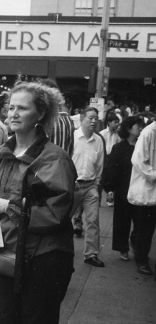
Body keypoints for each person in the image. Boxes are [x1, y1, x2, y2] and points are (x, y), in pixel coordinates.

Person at [0, 81, 76, 324]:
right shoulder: (3, 152)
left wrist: (8, 207)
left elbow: (55, 214)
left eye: (22, 107)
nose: (13, 113)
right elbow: (0, 198)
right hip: (3, 256)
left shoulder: (54, 158)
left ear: (40, 114)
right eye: (11, 107)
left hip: (42, 260)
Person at [103, 116, 145, 261]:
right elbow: (111, 170)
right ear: (128, 128)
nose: (140, 128)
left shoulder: (143, 146)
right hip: (123, 189)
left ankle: (134, 240)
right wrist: (109, 189)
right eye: (137, 126)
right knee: (122, 220)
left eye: (141, 126)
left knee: (140, 221)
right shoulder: (119, 148)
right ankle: (123, 248)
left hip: (140, 189)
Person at [71, 107, 105, 267]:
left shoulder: (98, 140)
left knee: (93, 220)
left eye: (95, 118)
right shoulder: (72, 137)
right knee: (63, 220)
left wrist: (96, 185)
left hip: (90, 185)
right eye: (90, 118)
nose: (93, 121)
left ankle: (91, 254)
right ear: (82, 119)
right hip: (73, 185)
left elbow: (99, 165)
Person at [127, 118, 156, 276]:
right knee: (146, 228)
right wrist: (153, 174)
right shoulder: (148, 133)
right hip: (147, 190)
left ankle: (137, 244)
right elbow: (137, 160)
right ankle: (141, 259)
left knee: (146, 228)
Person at [99, 112, 121, 206]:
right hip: (104, 158)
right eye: (115, 122)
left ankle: (109, 199)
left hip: (113, 160)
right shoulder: (102, 134)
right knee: (101, 180)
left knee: (111, 180)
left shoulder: (118, 135)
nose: (117, 124)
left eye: (117, 122)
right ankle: (98, 200)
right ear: (109, 123)